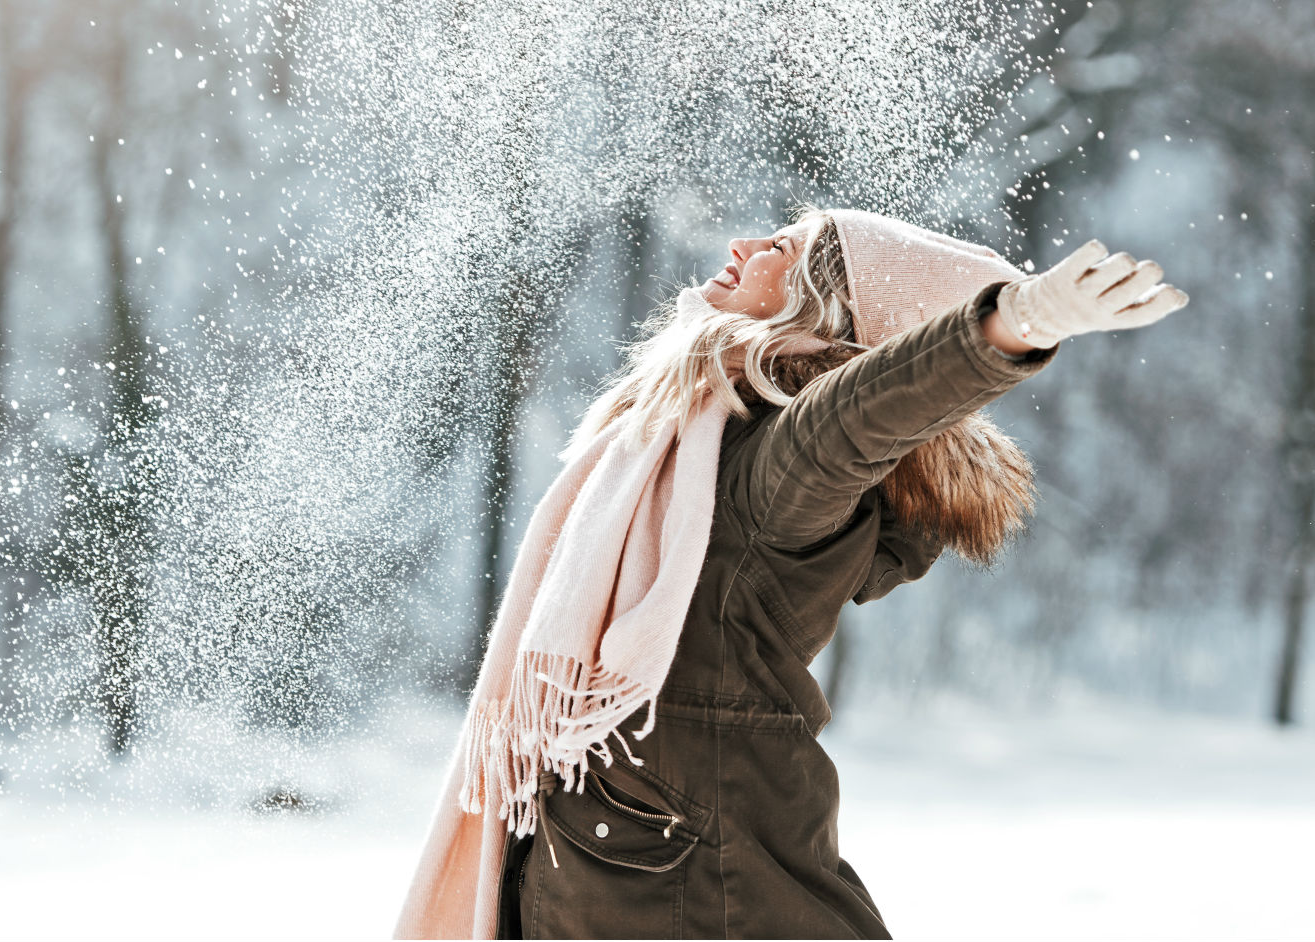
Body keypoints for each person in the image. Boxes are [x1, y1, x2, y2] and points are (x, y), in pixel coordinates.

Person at [398, 208, 1187, 939]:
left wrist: (1008, 327)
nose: (742, 246)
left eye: (782, 248)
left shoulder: (771, 471)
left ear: (825, 312)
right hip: (629, 854)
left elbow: (853, 418)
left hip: (680, 873)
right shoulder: (690, 445)